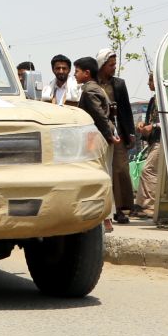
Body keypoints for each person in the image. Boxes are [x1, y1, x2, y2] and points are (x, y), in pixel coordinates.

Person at [74, 57, 117, 232]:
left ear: (86, 73)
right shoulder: (94, 88)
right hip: (102, 137)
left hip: (98, 138)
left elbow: (99, 115)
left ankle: (106, 219)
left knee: (101, 176)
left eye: (77, 71)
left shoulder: (90, 90)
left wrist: (109, 134)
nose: (74, 75)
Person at [96, 48, 135, 224]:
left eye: (114, 64)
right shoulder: (92, 84)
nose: (114, 68)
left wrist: (130, 133)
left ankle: (120, 209)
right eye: (111, 65)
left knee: (120, 170)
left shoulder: (118, 84)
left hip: (117, 132)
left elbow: (126, 110)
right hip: (98, 134)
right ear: (102, 65)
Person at [133, 73, 162, 218]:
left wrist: (153, 126)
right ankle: (141, 205)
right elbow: (149, 122)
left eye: (150, 80)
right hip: (153, 141)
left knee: (148, 170)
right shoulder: (153, 100)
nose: (148, 83)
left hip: (162, 141)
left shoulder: (165, 99)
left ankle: (149, 207)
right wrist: (143, 126)